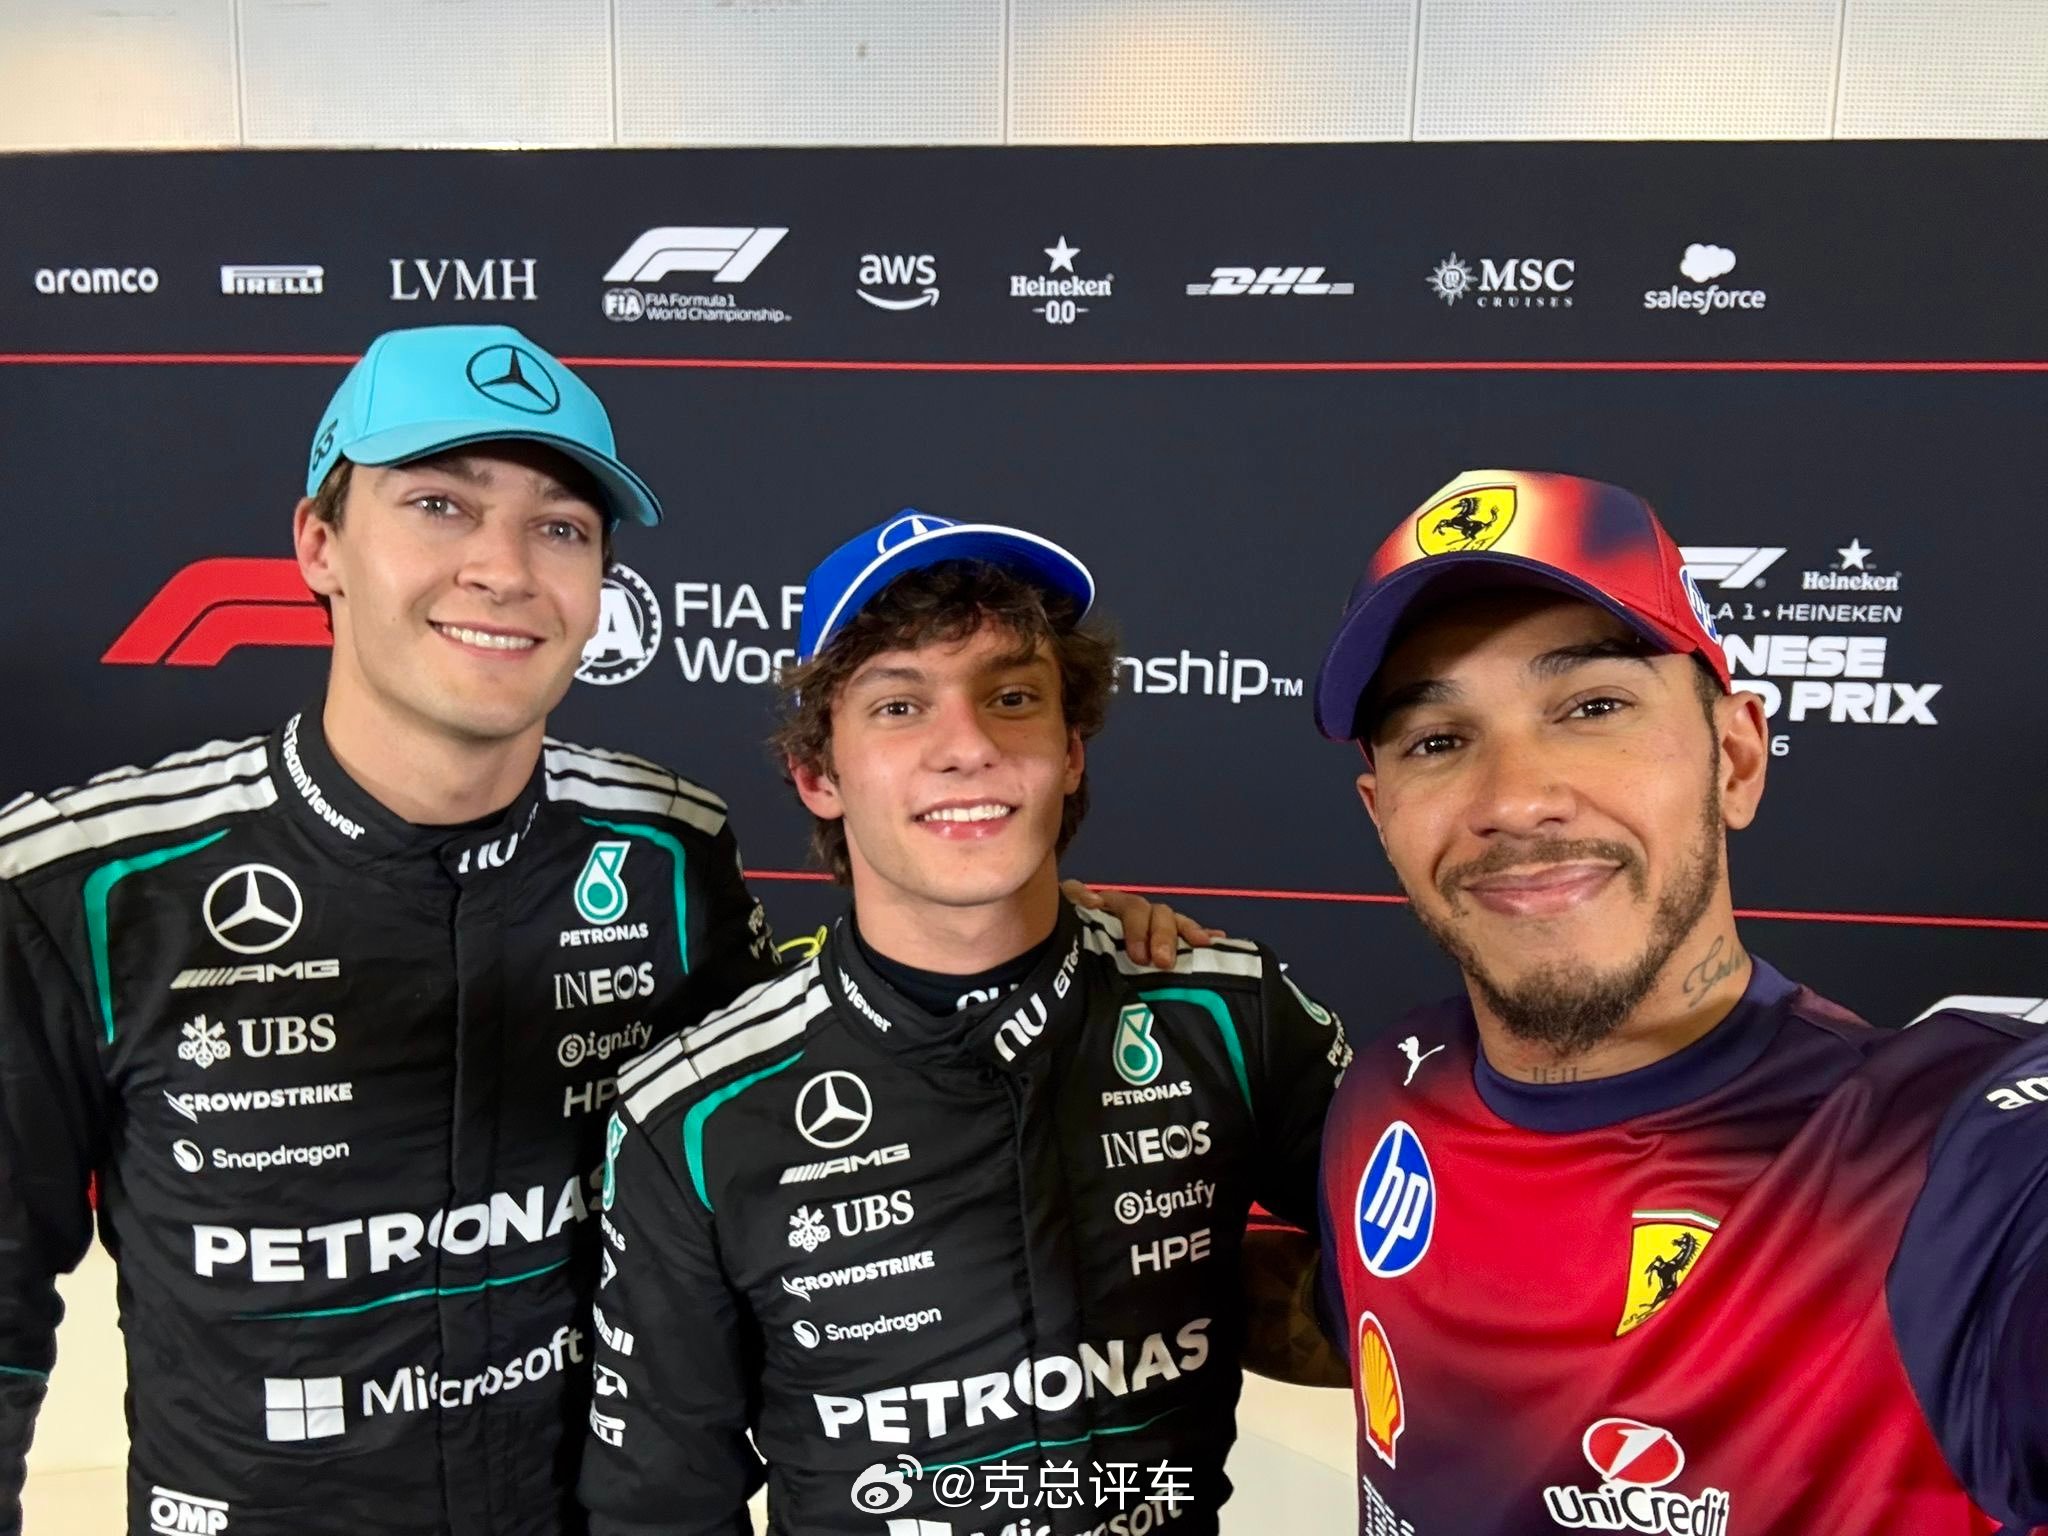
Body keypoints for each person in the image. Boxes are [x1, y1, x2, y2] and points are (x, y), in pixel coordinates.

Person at [0, 326, 1190, 1536]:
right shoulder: (85, 885)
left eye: (560, 529)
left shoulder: (668, 848)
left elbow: (796, 1063)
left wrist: (1020, 930)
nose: (503, 569)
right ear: (319, 543)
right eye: (439, 505)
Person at [579, 512, 1352, 1536]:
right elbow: (660, 1509)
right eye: (899, 705)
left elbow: (1438, 1270)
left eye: (1012, 698)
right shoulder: (693, 1116)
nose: (970, 748)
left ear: (1070, 752)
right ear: (818, 775)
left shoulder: (1226, 1011)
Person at [1308, 468, 2047, 1534]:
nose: (1515, 799)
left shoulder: (1947, 1167)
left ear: (1735, 759)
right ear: (1381, 814)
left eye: (1592, 707)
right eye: (1437, 739)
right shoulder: (1384, 1090)